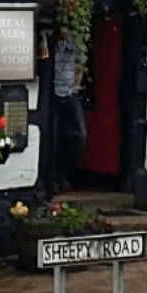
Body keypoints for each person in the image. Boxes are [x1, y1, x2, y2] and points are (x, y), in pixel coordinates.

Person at [49, 36, 86, 194]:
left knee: (79, 135)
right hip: (52, 94)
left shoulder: (77, 40)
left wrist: (77, 82)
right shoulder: (49, 38)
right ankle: (53, 179)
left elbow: (81, 63)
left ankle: (62, 171)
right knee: (51, 138)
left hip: (70, 93)